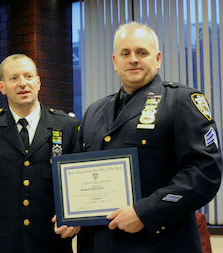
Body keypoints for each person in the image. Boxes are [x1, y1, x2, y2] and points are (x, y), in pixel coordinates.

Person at [56, 22, 222, 252]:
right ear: (115, 62)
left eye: (141, 52)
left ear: (158, 58)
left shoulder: (182, 101)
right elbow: (77, 176)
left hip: (159, 244)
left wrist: (145, 212)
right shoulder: (94, 111)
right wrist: (71, 216)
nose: (133, 59)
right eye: (125, 53)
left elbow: (205, 172)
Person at [0, 54, 80, 253]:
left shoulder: (67, 127)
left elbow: (79, 188)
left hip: (50, 244)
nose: (23, 83)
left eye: (28, 76)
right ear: (2, 87)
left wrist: (76, 217)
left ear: (38, 82)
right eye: (14, 78)